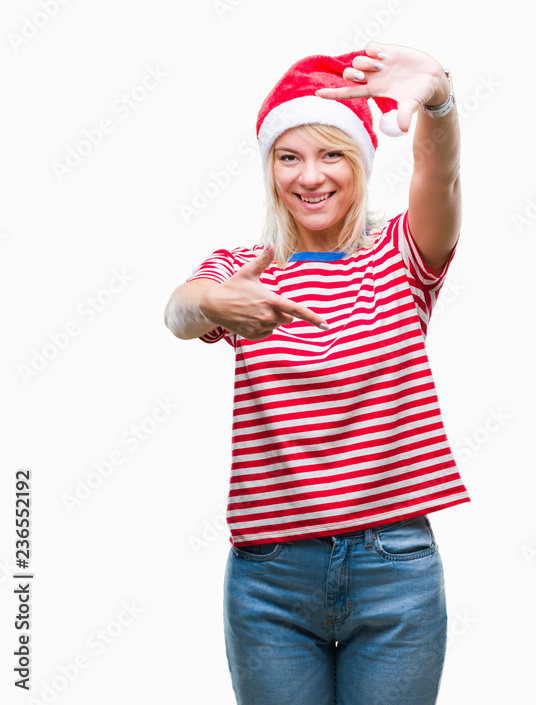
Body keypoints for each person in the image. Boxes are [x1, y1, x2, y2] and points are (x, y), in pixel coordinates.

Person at [163, 42, 470, 704]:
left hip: (394, 569)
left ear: (360, 160)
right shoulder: (245, 268)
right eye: (289, 156)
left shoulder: (399, 256)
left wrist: (439, 104)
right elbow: (180, 310)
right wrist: (211, 302)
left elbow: (440, 182)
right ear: (270, 168)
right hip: (271, 579)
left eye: (331, 153)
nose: (310, 176)